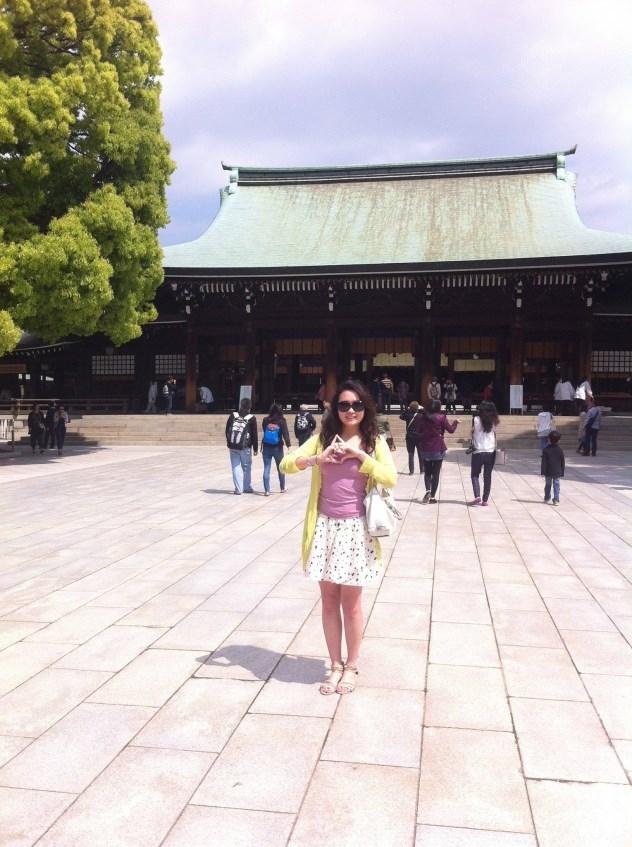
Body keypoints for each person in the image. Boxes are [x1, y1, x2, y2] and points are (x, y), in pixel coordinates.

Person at [279, 380, 397, 696]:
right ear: (335, 408)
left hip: (356, 530)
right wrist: (318, 459)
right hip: (325, 528)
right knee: (329, 600)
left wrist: (361, 456)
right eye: (344, 405)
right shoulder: (322, 440)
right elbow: (286, 464)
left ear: (366, 408)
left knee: (352, 604)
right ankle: (334, 665)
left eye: (357, 405)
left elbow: (390, 478)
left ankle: (352, 665)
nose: (350, 411)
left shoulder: (373, 442)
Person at [413, 399, 459, 503]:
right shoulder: (441, 417)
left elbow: (418, 431)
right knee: (436, 473)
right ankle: (433, 497)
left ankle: (428, 491)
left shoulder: (422, 417)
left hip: (425, 447)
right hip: (438, 448)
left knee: (427, 472)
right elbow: (451, 430)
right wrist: (455, 422)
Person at [225, 398, 258, 494]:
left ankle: (238, 489)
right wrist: (255, 448)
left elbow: (227, 430)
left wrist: (229, 442)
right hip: (245, 447)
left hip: (233, 446)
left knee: (235, 466)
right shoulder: (252, 418)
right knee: (246, 467)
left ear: (240, 405)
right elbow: (254, 435)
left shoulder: (233, 415)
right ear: (249, 407)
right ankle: (246, 487)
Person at [469, 401, 499, 506]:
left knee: (474, 474)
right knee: (487, 476)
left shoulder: (475, 419)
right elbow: (494, 433)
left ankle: (477, 496)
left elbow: (472, 432)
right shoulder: (494, 420)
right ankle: (485, 500)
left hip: (478, 451)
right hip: (490, 451)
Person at [261, 403, 291, 495]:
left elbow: (264, 430)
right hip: (278, 447)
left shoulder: (265, 420)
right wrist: (288, 445)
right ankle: (282, 488)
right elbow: (285, 433)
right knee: (280, 467)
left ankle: (267, 490)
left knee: (266, 468)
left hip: (266, 447)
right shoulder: (282, 421)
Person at [541, 430, 565, 506]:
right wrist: (562, 471)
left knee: (548, 485)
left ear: (549, 439)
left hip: (548, 471)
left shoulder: (546, 450)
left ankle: (547, 497)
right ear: (559, 440)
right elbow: (562, 462)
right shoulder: (560, 450)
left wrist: (543, 471)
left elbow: (544, 462)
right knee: (556, 485)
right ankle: (556, 499)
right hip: (557, 471)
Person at [400, 400, 422, 474]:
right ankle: (422, 470)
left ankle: (411, 471)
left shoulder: (408, 415)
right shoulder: (420, 416)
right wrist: (421, 409)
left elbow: (401, 416)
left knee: (411, 454)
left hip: (410, 437)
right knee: (420, 454)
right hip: (419, 437)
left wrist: (407, 409)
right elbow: (426, 415)